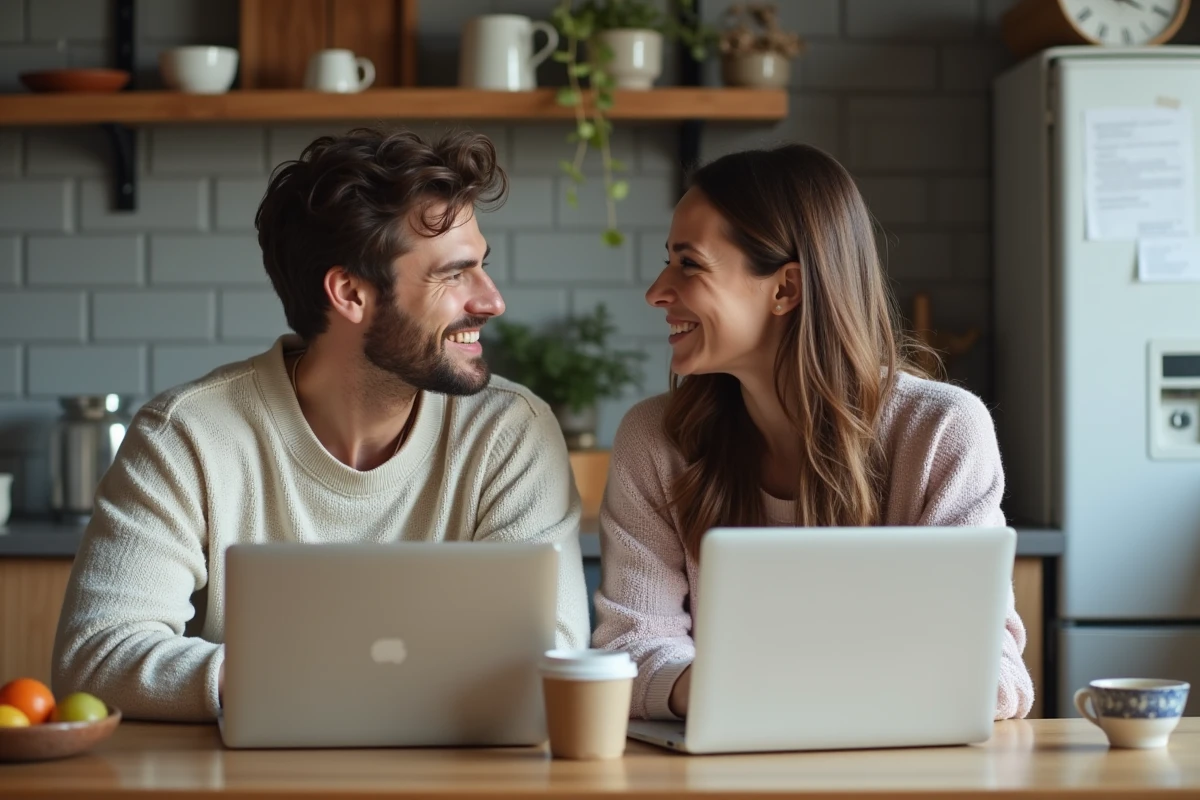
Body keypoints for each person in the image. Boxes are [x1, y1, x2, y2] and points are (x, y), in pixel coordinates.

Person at [52, 128, 590, 722]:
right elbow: (95, 658)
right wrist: (308, 679)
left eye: (481, 267)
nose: (491, 300)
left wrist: (291, 679)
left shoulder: (510, 434)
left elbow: (552, 655)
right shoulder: (186, 435)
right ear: (350, 293)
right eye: (453, 275)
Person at [591, 143, 1035, 722]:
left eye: (689, 263)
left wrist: (759, 686)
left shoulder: (941, 432)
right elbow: (629, 647)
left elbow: (997, 675)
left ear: (785, 289)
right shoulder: (654, 439)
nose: (657, 292)